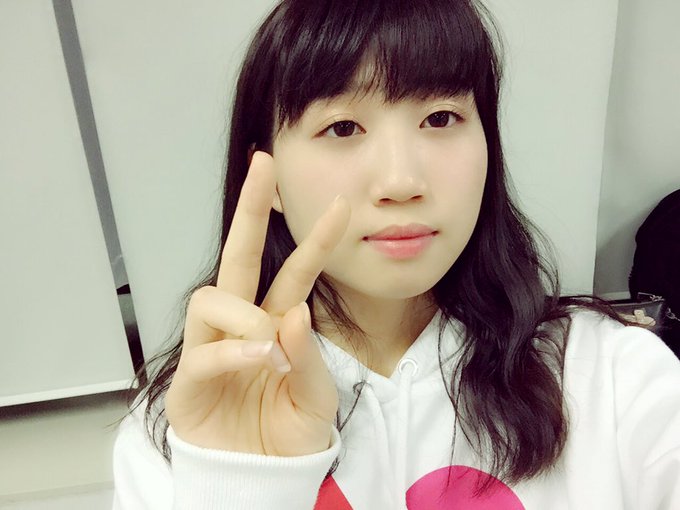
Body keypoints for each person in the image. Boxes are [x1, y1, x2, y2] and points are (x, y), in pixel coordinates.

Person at [112, 0, 680, 508]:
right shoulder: (182, 430)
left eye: (441, 118)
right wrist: (237, 486)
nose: (402, 180)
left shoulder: (614, 379)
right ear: (269, 178)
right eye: (342, 127)